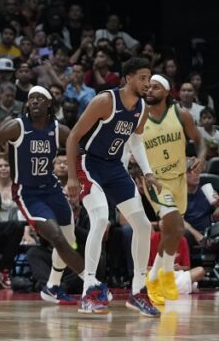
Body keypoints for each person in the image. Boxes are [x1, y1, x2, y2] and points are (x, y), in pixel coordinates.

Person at [0, 86, 83, 304]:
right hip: (28, 193)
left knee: (69, 241)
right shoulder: (17, 127)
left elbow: (80, 149)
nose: (34, 101)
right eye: (31, 98)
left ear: (49, 104)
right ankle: (93, 283)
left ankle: (53, 286)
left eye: (39, 98)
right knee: (57, 238)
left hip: (53, 189)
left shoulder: (58, 129)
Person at [65, 57, 161, 316]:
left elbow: (136, 141)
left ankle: (139, 291)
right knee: (100, 220)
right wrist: (72, 177)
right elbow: (74, 135)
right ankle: (89, 291)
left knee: (142, 225)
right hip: (89, 163)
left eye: (149, 79)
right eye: (142, 78)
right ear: (128, 78)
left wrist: (148, 173)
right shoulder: (105, 101)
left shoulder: (141, 107)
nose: (147, 84)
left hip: (114, 167)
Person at [139, 75, 205, 305]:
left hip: (179, 180)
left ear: (167, 92)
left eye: (156, 87)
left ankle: (156, 278)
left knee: (174, 233)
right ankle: (163, 276)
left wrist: (202, 157)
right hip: (155, 182)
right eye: (148, 86)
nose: (150, 90)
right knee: (174, 225)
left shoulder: (180, 114)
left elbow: (199, 139)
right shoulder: (139, 117)